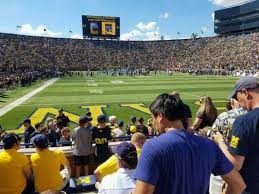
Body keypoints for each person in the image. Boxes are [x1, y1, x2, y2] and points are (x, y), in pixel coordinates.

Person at [134, 93, 246, 194]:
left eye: (153, 118)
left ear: (160, 116)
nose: (153, 123)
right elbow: (238, 185)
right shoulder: (209, 145)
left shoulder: (152, 147)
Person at [213, 76, 259, 194]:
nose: (237, 101)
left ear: (245, 92)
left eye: (236, 96)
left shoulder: (244, 121)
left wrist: (220, 142)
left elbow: (234, 164)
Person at [209, 98, 247, 194]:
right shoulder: (252, 116)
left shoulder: (224, 116)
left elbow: (211, 139)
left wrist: (221, 141)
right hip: (249, 169)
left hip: (224, 169)